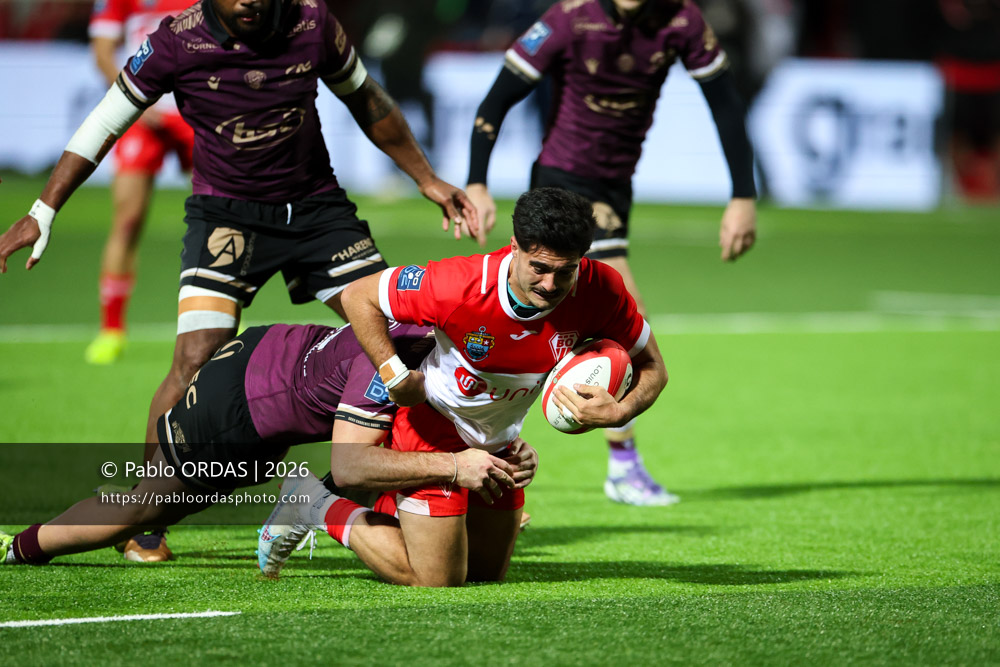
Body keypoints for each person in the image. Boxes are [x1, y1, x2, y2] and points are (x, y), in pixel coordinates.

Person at [0, 0, 477, 559]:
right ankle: (146, 511)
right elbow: (108, 118)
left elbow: (365, 97)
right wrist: (44, 208)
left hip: (317, 213)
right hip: (226, 218)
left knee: (404, 337)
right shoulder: (177, 40)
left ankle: (418, 496)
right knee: (194, 359)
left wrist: (426, 177)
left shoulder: (312, 22)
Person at [256, 187, 669, 587]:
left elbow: (653, 368)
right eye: (539, 268)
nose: (550, 284)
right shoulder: (459, 284)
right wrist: (393, 374)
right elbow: (358, 295)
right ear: (514, 248)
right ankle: (314, 504)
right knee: (437, 578)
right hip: (431, 429)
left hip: (498, 444)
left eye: (566, 271)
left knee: (486, 573)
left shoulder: (603, 289)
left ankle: (400, 505)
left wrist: (618, 412)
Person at [464, 0, 758, 506]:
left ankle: (486, 454)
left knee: (545, 325)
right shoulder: (568, 16)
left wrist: (743, 195)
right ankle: (620, 467)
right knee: (625, 321)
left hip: (616, 187)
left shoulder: (681, 21)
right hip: (563, 182)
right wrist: (476, 181)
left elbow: (726, 102)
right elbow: (499, 96)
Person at [0, 321, 536, 566]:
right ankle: (23, 547)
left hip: (271, 351)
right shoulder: (395, 364)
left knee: (404, 460)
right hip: (239, 406)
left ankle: (308, 501)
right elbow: (353, 466)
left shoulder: (446, 341)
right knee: (145, 506)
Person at [84, 0, 196, 365]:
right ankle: (111, 330)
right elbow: (102, 51)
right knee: (127, 220)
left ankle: (222, 323)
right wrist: (132, 100)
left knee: (223, 218)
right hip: (142, 112)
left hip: (196, 112)